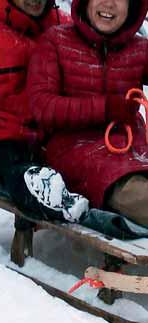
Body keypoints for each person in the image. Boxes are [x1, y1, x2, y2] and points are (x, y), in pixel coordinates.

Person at [0, 0, 89, 223]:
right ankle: (62, 203)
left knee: (87, 165)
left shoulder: (63, 28)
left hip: (50, 139)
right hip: (1, 143)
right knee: (19, 174)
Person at [28, 0, 148, 227]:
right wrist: (105, 108)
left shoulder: (140, 48)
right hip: (75, 153)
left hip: (135, 150)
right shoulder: (56, 41)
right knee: (137, 196)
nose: (109, 4)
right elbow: (42, 106)